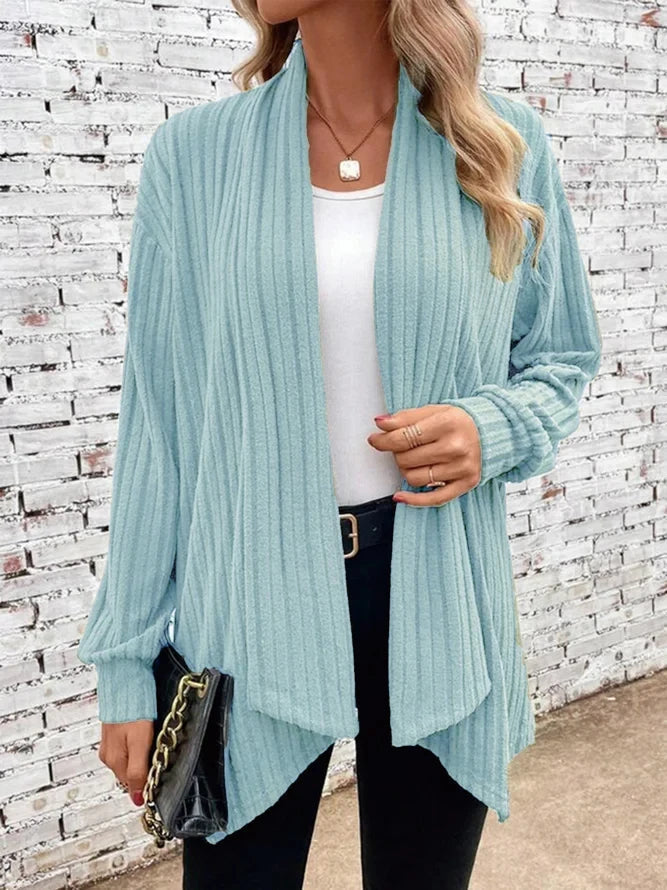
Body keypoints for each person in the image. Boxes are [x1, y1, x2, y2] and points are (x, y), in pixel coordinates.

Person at [76, 1, 603, 888]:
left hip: (437, 597)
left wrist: (492, 428)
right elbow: (159, 427)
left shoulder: (497, 142)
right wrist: (124, 662)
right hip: (249, 604)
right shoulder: (194, 157)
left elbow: (560, 358)